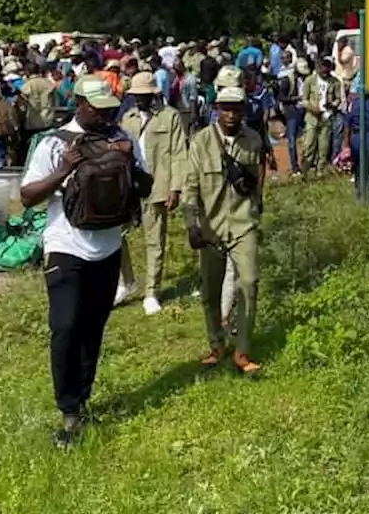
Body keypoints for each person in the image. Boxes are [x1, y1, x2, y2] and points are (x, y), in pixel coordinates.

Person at [20, 75, 153, 448]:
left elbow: (146, 187)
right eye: (98, 108)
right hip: (66, 247)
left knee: (93, 328)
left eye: (110, 108)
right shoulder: (53, 143)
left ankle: (82, 401)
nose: (106, 114)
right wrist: (64, 169)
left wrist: (133, 166)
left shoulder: (122, 139)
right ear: (78, 102)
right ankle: (68, 408)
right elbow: (27, 195)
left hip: (108, 248)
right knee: (65, 326)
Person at [183, 66, 266, 374]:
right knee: (210, 290)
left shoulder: (253, 140)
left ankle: (242, 350)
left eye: (237, 108)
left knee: (249, 283)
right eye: (226, 108)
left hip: (244, 224)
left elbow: (257, 183)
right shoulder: (201, 142)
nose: (231, 114)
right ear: (217, 108)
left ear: (244, 109)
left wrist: (258, 215)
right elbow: (191, 187)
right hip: (211, 227)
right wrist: (192, 225)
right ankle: (216, 344)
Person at [120, 71, 188, 316]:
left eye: (143, 96)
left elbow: (180, 153)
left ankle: (152, 291)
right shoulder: (127, 118)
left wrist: (175, 187)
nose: (139, 100)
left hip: (158, 184)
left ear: (153, 95)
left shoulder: (169, 118)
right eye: (136, 96)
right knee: (118, 235)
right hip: (130, 187)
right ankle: (126, 281)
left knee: (155, 240)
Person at [299, 57, 340, 176]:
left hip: (327, 117)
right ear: (318, 68)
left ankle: (320, 171)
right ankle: (304, 171)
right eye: (322, 70)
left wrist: (332, 105)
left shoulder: (335, 82)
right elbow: (304, 100)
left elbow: (338, 99)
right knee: (309, 146)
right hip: (312, 117)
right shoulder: (310, 80)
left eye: (327, 70)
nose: (325, 72)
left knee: (324, 146)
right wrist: (313, 108)